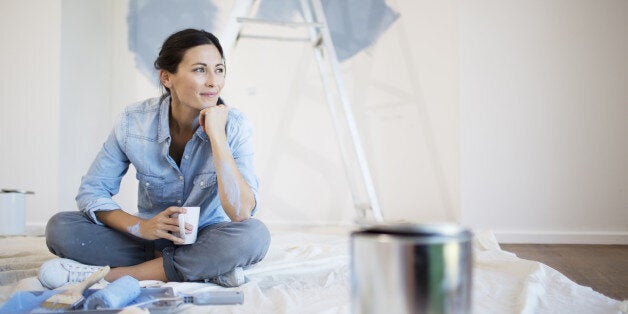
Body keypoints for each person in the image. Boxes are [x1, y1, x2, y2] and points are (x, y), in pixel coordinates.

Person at [38, 29, 271, 288]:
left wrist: (217, 136)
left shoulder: (235, 125)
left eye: (219, 70)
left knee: (254, 236)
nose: (213, 82)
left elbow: (241, 213)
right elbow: (92, 191)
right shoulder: (134, 121)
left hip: (208, 236)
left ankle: (115, 275)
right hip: (150, 240)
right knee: (61, 228)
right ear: (167, 77)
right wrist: (141, 227)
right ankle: (203, 267)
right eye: (199, 70)